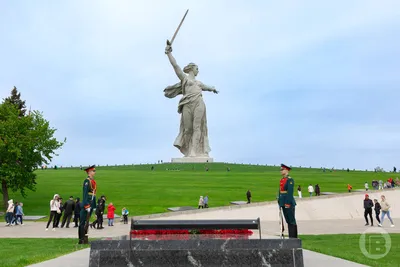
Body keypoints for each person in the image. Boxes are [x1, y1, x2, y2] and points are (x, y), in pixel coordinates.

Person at [164, 42, 219, 157]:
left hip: (199, 103)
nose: (198, 71)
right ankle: (188, 151)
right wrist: (169, 53)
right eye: (197, 69)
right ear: (191, 69)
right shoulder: (185, 79)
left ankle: (195, 151)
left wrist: (212, 88)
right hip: (187, 104)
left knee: (197, 127)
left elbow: (207, 87)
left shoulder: (199, 83)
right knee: (188, 129)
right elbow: (176, 66)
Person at [277, 164, 298, 238]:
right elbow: (280, 191)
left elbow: (290, 192)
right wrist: (279, 201)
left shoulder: (290, 180)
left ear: (286, 170)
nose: (281, 171)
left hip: (288, 203)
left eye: (282, 169)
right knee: (287, 220)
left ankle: (293, 238)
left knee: (291, 221)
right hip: (283, 202)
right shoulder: (282, 180)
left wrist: (287, 203)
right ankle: (291, 237)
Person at [78, 165, 97, 244]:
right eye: (93, 171)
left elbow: (93, 195)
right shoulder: (87, 181)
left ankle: (85, 238)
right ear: (89, 172)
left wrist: (94, 207)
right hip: (87, 204)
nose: (94, 172)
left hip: (91, 203)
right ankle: (81, 239)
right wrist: (86, 205)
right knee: (83, 222)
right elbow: (85, 194)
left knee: (87, 222)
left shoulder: (93, 181)